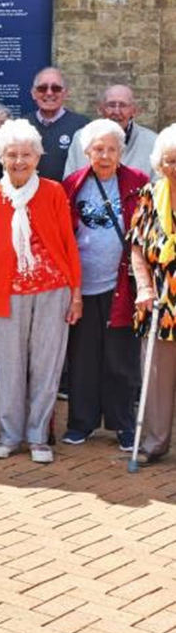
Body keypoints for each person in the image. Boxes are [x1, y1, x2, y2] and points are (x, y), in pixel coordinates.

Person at [0, 120, 82, 463]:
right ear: (1, 157)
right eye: (12, 155)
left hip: (53, 290)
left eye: (26, 154)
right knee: (9, 367)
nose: (19, 161)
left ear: (38, 156)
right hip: (5, 292)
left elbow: (68, 244)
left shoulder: (52, 192)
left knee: (47, 368)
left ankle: (38, 438)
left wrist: (76, 294)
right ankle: (8, 435)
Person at [62, 119, 146, 449]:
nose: (105, 156)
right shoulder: (72, 184)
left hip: (121, 286)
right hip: (82, 286)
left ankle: (123, 424)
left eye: (112, 149)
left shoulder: (136, 182)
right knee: (82, 357)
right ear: (87, 152)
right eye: (98, 149)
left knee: (120, 358)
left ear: (121, 152)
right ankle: (81, 423)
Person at [130, 125, 176, 464]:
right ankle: (154, 443)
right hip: (160, 299)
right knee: (157, 377)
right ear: (159, 163)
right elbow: (136, 246)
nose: (174, 167)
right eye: (170, 161)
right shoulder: (150, 193)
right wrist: (143, 286)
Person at [64, 85, 156, 177]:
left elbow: (158, 186)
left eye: (123, 105)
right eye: (111, 105)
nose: (116, 111)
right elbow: (70, 182)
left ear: (134, 111)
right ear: (100, 109)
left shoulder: (151, 142)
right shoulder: (81, 138)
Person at [28, 66, 89, 180]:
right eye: (42, 88)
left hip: (68, 196)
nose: (49, 93)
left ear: (65, 93)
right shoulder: (22, 125)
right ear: (33, 93)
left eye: (56, 88)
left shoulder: (82, 126)